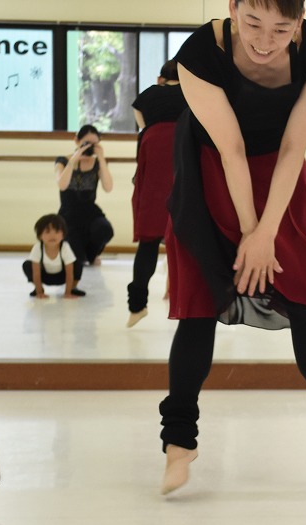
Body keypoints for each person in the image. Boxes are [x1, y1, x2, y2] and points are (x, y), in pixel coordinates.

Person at [158, 0, 306, 494]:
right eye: (253, 23)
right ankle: (178, 444)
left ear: (300, 20)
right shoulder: (199, 53)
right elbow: (231, 149)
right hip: (210, 170)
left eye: (281, 28)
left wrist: (266, 234)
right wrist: (250, 233)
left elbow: (295, 147)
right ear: (233, 9)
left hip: (281, 175)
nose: (264, 41)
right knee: (199, 307)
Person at [127, 60, 187, 328]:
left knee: (149, 241)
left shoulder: (149, 94)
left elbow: (142, 126)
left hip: (153, 159)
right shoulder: (193, 93)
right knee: (191, 241)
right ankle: (200, 304)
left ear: (160, 78)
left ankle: (137, 305)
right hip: (184, 157)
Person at [55, 125, 114, 267]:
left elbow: (108, 188)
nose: (89, 148)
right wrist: (74, 160)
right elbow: (62, 185)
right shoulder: (63, 161)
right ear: (77, 141)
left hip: (90, 213)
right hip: (68, 215)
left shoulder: (97, 163)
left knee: (105, 230)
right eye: (86, 143)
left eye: (94, 144)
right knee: (77, 259)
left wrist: (101, 158)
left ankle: (92, 255)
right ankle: (81, 255)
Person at [23, 213, 85, 299]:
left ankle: (72, 288)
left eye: (57, 232)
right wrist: (39, 292)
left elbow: (70, 273)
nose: (52, 236)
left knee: (77, 264)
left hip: (62, 276)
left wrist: (67, 293)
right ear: (39, 235)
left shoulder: (65, 247)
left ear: (63, 235)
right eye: (47, 232)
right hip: (44, 276)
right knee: (27, 265)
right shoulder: (38, 247)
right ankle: (38, 288)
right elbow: (36, 273)